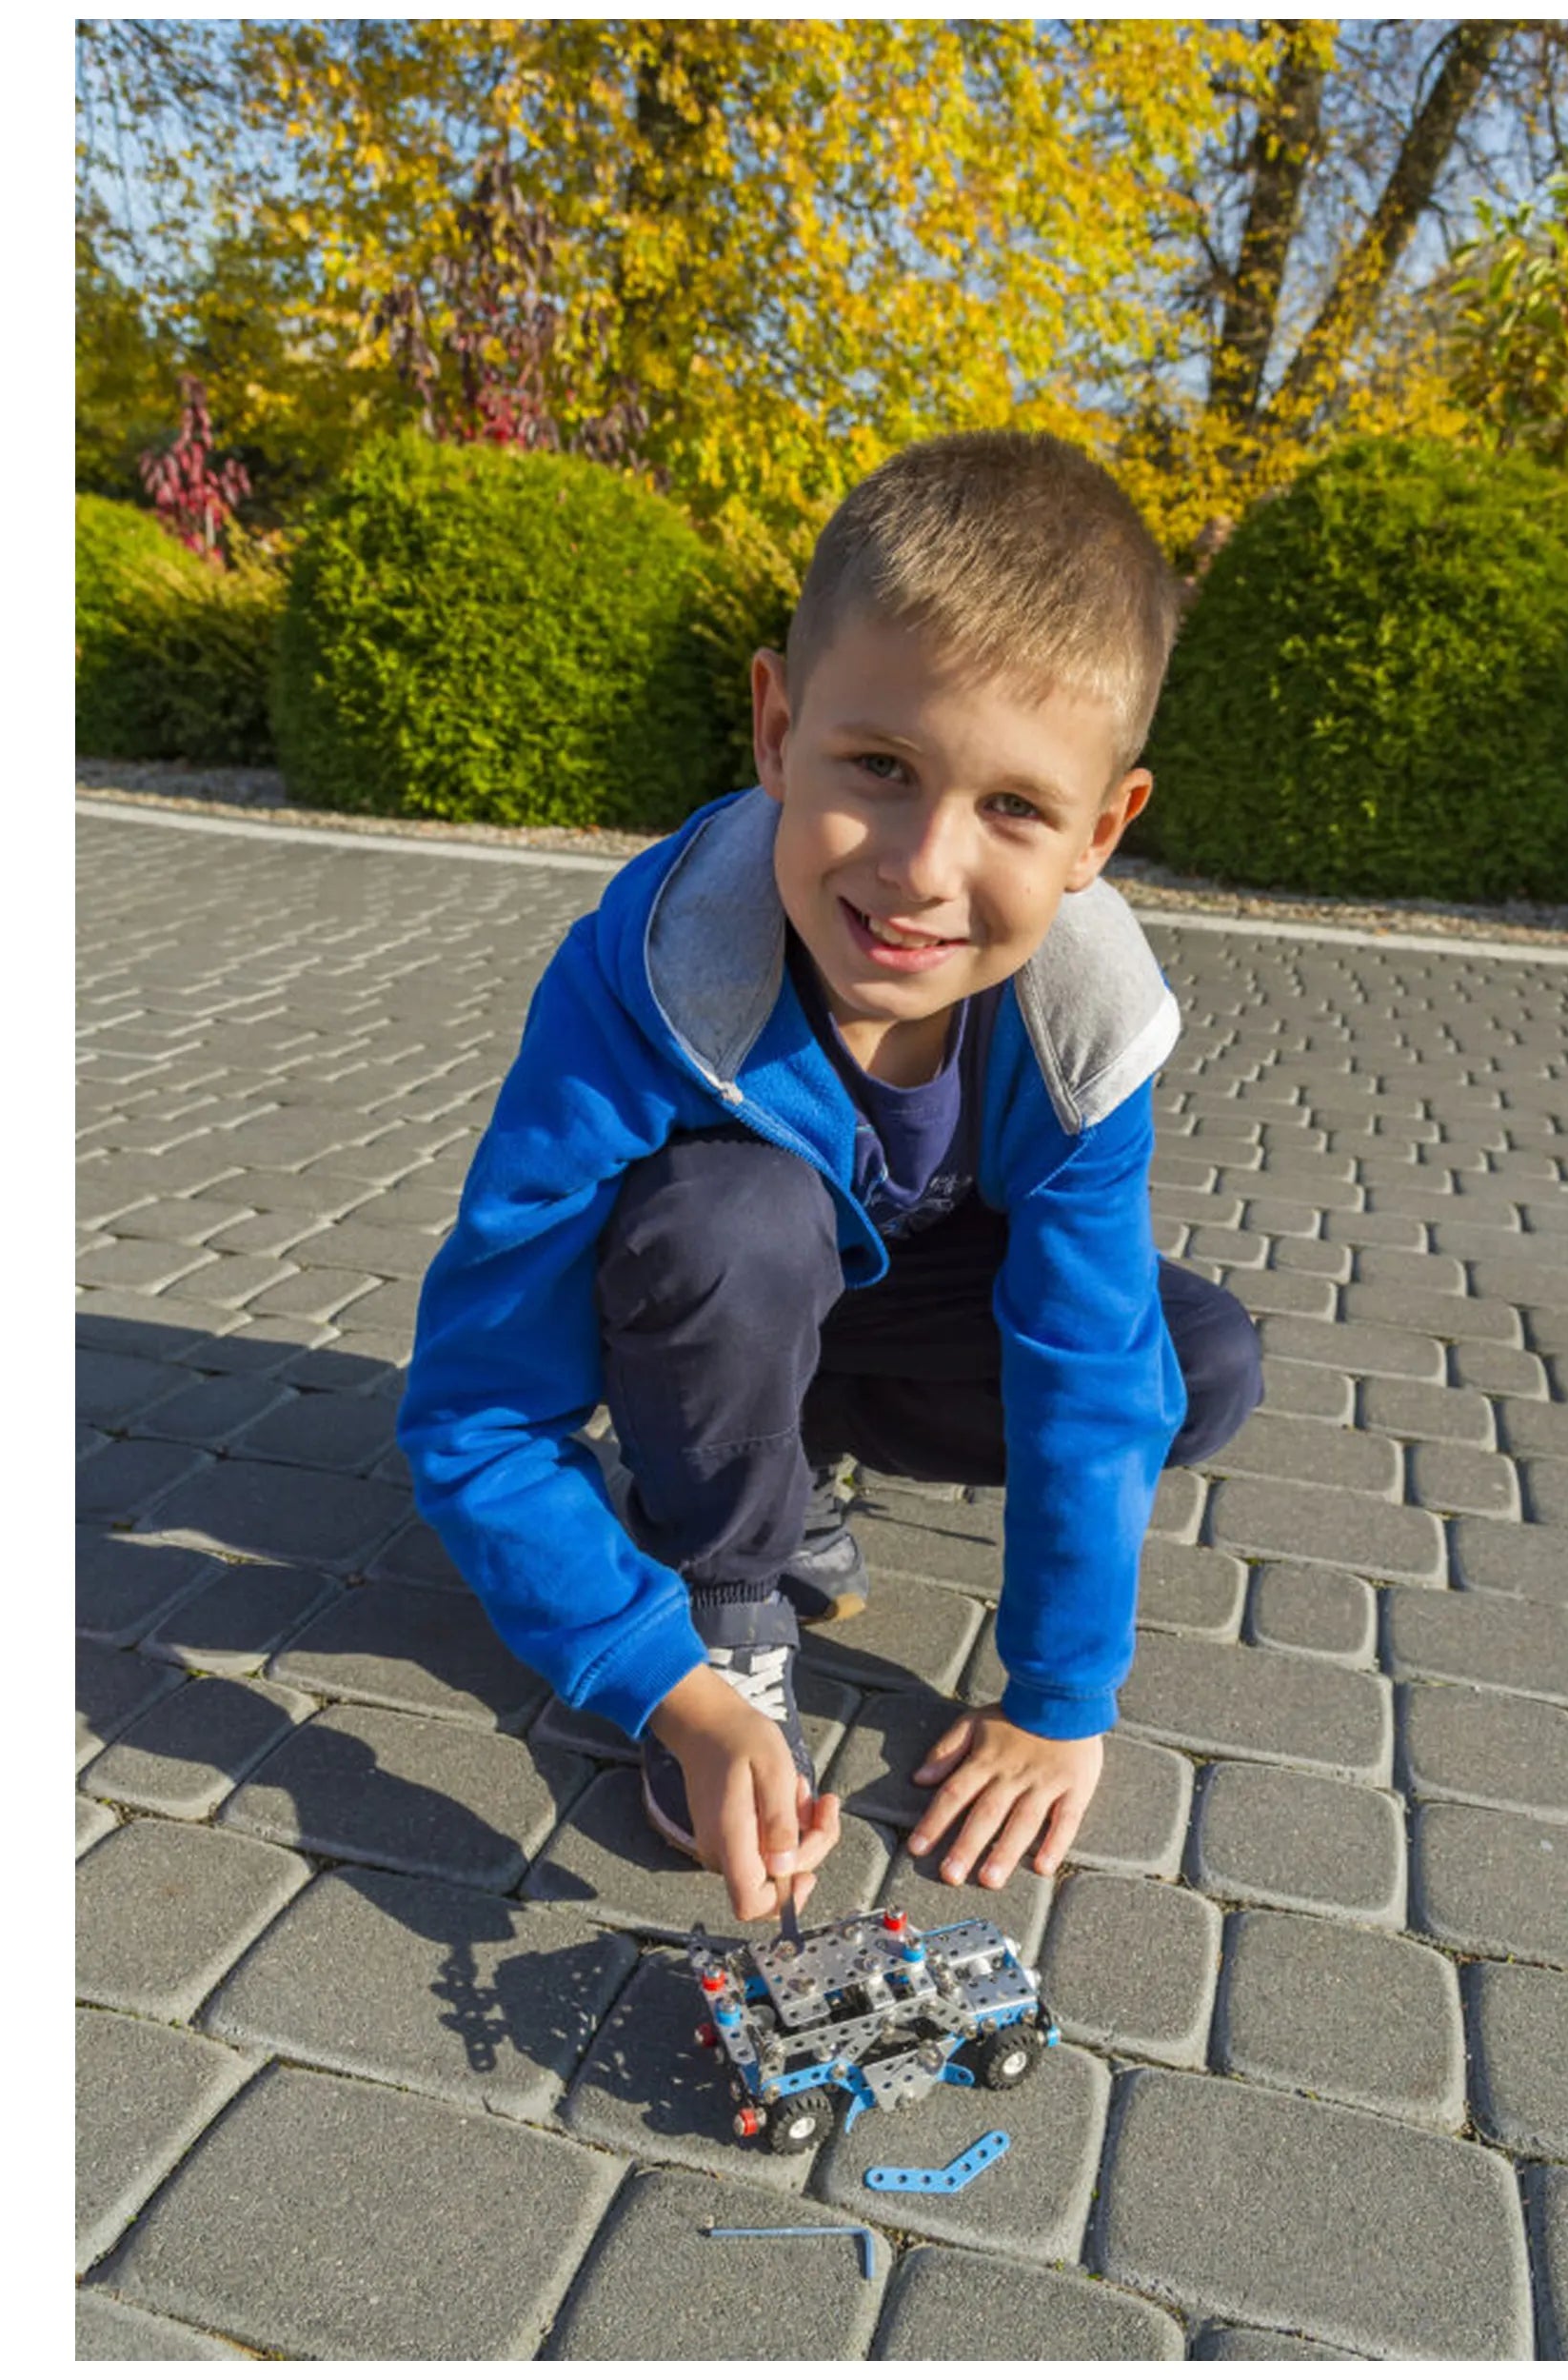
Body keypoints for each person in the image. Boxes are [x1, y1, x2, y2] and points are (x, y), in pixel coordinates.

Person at [396, 430, 1262, 1928]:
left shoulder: (1084, 1022)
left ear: (1100, 836)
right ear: (776, 727)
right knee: (733, 1219)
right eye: (879, 767)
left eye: (1015, 809)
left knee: (1195, 1360)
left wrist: (1060, 1699)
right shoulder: (654, 972)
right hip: (710, 1293)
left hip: (862, 1320)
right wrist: (665, 1679)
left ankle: (789, 1458)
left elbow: (1086, 1364)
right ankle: (737, 1577)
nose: (926, 867)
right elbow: (476, 1411)